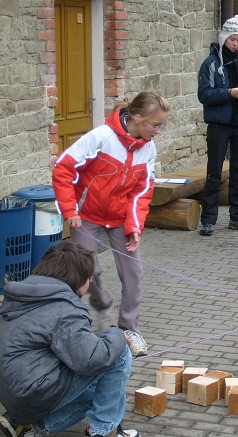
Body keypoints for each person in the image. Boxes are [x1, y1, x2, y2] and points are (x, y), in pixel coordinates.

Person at [53, 91, 170, 357]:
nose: (159, 131)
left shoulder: (148, 148)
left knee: (133, 273)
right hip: (87, 215)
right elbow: (62, 168)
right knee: (86, 270)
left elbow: (142, 192)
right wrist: (70, 209)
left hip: (120, 219)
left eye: (162, 125)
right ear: (137, 118)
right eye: (156, 125)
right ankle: (99, 304)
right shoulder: (101, 138)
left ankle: (129, 328)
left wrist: (135, 225)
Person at [0, 241, 140, 437]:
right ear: (78, 278)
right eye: (89, 278)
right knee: (118, 354)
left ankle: (28, 427)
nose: (89, 283)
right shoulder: (64, 308)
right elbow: (91, 360)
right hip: (32, 391)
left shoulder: (25, 294)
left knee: (103, 393)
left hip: (12, 393)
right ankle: (103, 435)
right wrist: (116, 335)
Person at [197, 14, 238, 236]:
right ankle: (208, 220)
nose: (235, 44)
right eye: (232, 39)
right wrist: (229, 93)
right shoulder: (211, 64)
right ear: (224, 38)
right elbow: (203, 95)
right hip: (219, 124)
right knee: (214, 171)